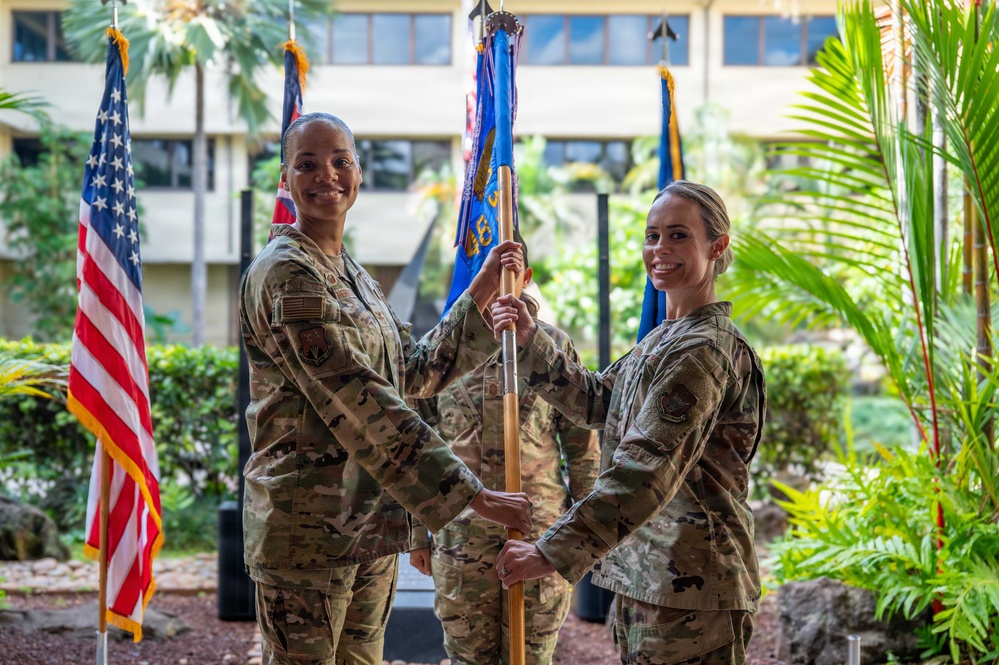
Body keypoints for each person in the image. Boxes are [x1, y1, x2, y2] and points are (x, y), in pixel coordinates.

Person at [239, 112, 533, 665]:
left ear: (358, 174)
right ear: (285, 179)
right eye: (307, 164)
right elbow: (357, 397)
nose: (327, 175)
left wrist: (482, 290)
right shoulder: (286, 274)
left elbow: (413, 372)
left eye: (340, 161)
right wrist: (470, 493)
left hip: (368, 525)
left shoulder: (354, 276)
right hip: (307, 533)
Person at [493, 180, 767, 665]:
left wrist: (551, 552)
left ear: (717, 245)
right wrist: (533, 339)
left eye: (679, 235)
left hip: (692, 586)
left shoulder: (701, 350)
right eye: (652, 236)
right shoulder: (665, 339)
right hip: (650, 575)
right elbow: (599, 402)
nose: (660, 249)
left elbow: (643, 471)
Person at [408, 236, 600, 665]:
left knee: (530, 657)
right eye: (484, 274)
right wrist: (417, 534)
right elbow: (417, 445)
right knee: (468, 657)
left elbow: (583, 448)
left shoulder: (552, 346)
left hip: (538, 532)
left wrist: (583, 537)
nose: (494, 283)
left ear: (525, 277)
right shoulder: (439, 356)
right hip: (461, 533)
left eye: (505, 272)